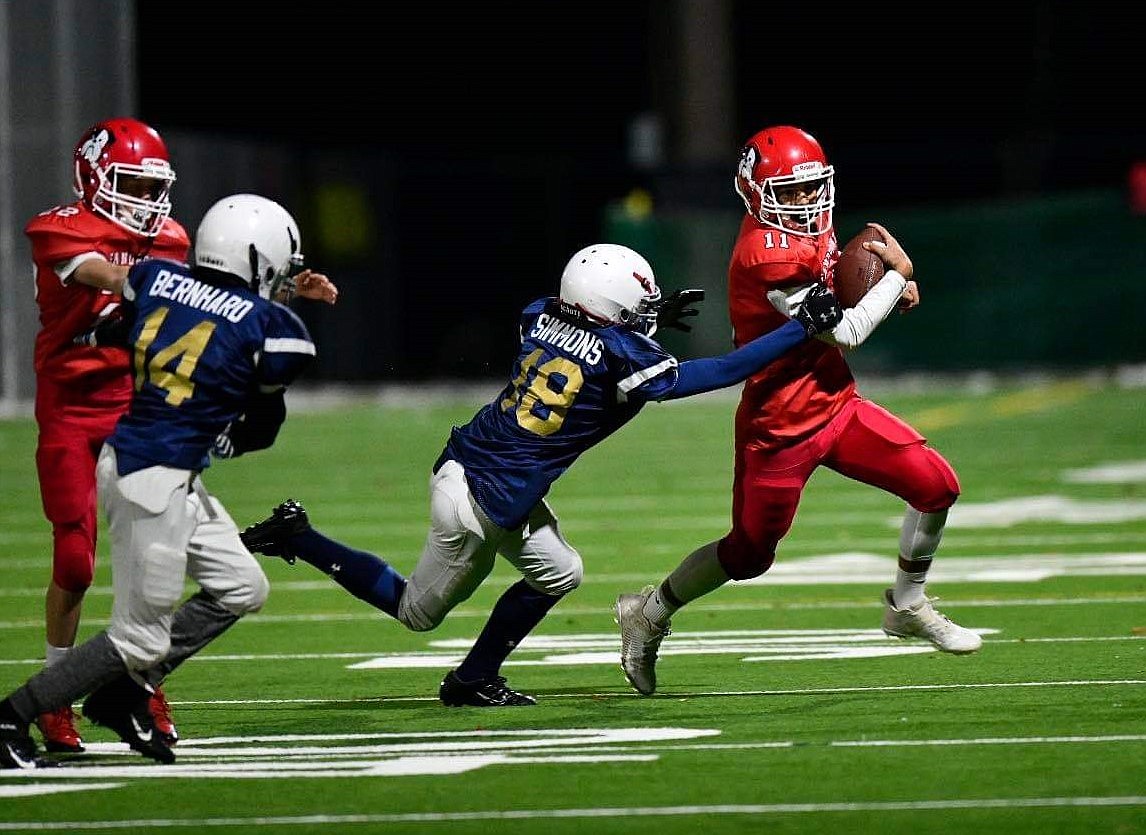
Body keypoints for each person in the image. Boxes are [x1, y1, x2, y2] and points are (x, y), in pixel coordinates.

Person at [237, 242, 844, 707]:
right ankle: (298, 536)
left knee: (560, 572)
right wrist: (799, 329)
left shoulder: (539, 316)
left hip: (486, 469)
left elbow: (587, 328)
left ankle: (475, 675)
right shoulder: (618, 353)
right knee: (417, 612)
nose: (646, 319)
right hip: (479, 499)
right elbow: (711, 374)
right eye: (639, 309)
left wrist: (644, 315)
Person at [613, 125, 981, 697]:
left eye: (813, 188)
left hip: (835, 403)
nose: (807, 202)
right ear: (755, 192)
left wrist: (878, 283)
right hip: (777, 426)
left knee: (937, 487)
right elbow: (847, 330)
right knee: (747, 553)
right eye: (792, 191)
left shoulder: (810, 226)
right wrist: (896, 277)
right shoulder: (764, 254)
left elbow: (837, 284)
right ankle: (649, 612)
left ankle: (906, 605)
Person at [1, 193, 328, 769]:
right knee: (139, 639)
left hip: (161, 466)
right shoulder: (278, 332)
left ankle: (124, 694)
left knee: (242, 588)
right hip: (149, 476)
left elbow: (119, 325)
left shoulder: (155, 278)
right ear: (256, 258)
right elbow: (263, 422)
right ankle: (15, 713)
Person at [24, 117, 190, 752]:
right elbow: (109, 276)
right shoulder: (60, 229)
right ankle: (53, 694)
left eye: (155, 189)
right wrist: (160, 285)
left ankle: (142, 686)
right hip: (69, 404)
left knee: (153, 556)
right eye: (133, 186)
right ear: (94, 178)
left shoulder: (170, 238)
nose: (148, 203)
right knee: (75, 557)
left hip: (136, 405)